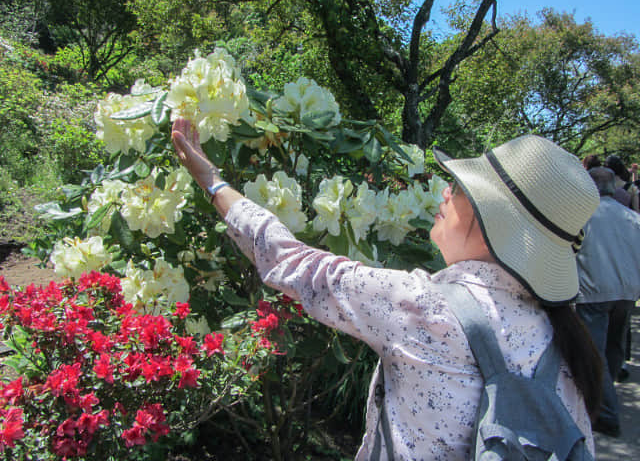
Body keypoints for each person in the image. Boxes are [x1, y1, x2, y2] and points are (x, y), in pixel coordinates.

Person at [171, 118, 602, 459]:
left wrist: (211, 180)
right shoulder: (559, 336)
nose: (446, 191)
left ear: (495, 226)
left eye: (466, 188)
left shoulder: (426, 308)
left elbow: (292, 262)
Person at [575, 167, 640, 437]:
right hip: (627, 291)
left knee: (595, 351)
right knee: (615, 345)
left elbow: (571, 250)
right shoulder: (632, 217)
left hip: (594, 290)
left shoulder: (583, 216)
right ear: (614, 187)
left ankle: (607, 412)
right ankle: (607, 393)